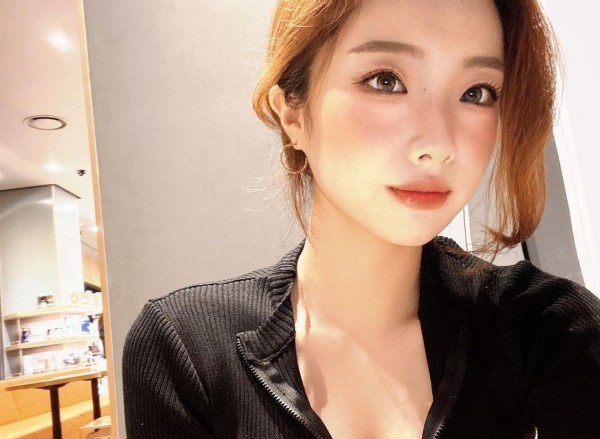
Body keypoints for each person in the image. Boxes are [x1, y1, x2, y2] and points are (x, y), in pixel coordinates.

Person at [122, 0, 600, 438]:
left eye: (477, 92)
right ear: (291, 113)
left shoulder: (549, 331)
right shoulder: (186, 349)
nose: (439, 144)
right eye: (385, 81)